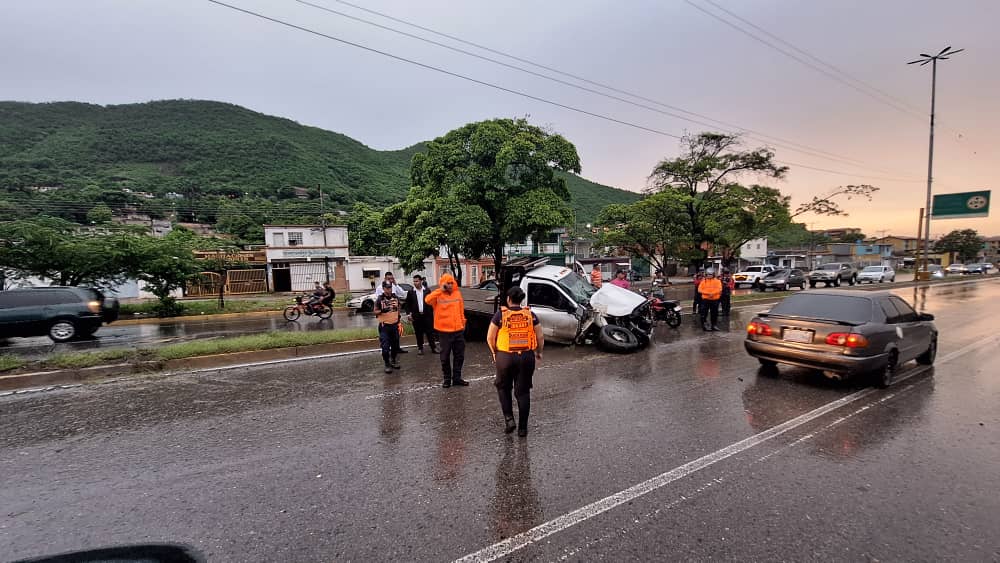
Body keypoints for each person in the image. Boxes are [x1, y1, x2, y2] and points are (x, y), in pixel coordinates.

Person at [487, 286, 544, 437]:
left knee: (503, 387)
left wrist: (495, 353)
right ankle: (523, 429)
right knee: (523, 392)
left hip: (505, 357)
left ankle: (509, 419)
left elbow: (490, 337)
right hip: (526, 357)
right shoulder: (530, 315)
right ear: (521, 299)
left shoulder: (500, 315)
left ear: (508, 299)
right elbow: (540, 337)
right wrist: (538, 352)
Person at [425, 272, 468, 388]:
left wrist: (463, 323)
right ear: (443, 284)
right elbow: (427, 300)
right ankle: (447, 379)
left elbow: (461, 310)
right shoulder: (438, 295)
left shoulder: (457, 294)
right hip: (444, 332)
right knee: (444, 357)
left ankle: (457, 378)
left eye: (451, 282)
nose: (450, 285)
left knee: (459, 356)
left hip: (458, 330)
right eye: (447, 283)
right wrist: (441, 290)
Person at [406, 274, 438, 355]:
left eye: (416, 281)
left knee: (430, 332)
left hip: (427, 315)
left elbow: (431, 302)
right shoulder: (411, 292)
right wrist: (408, 314)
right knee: (418, 333)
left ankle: (433, 347)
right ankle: (420, 348)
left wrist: (432, 313)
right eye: (414, 281)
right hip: (416, 316)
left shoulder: (427, 290)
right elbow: (408, 304)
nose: (415, 283)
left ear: (421, 281)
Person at [375, 281, 402, 373]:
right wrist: (382, 310)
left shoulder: (395, 297)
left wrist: (398, 318)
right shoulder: (380, 299)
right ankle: (387, 363)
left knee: (395, 346)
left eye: (390, 287)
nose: (389, 289)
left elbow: (399, 307)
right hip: (384, 327)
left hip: (394, 325)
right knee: (385, 347)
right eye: (387, 288)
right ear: (383, 288)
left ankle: (393, 360)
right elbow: (375, 312)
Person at [382, 272, 409, 354]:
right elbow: (379, 300)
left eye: (391, 278)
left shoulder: (394, 286)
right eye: (388, 278)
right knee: (387, 333)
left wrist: (396, 284)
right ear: (385, 278)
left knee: (397, 332)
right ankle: (389, 348)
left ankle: (397, 348)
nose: (390, 280)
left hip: (395, 315)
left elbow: (403, 294)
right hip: (386, 315)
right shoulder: (381, 288)